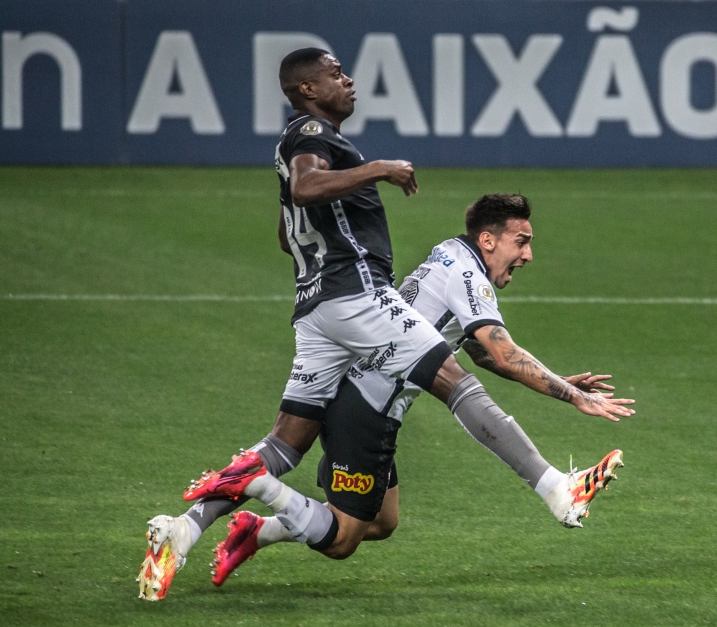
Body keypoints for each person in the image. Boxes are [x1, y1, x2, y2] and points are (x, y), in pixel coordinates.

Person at [137, 48, 633, 600]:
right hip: (356, 300)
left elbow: (289, 229)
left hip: (317, 309)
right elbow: (489, 349)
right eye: (335, 74)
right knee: (440, 405)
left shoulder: (297, 145)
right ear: (306, 88)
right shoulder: (310, 135)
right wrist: (380, 169)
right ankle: (557, 491)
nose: (348, 81)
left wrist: (561, 382)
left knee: (306, 458)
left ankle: (187, 529)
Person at [193, 193, 631, 586]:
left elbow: (478, 351)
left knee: (382, 522)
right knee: (343, 540)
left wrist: (556, 380)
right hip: (363, 410)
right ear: (488, 240)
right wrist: (574, 397)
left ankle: (256, 529)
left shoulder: (451, 254)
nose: (529, 255)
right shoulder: (467, 274)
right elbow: (499, 352)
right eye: (522, 241)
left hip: (369, 404)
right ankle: (558, 488)